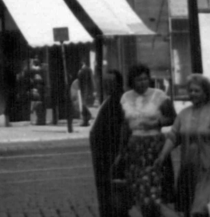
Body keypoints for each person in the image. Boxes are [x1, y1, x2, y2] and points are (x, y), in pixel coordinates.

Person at [159, 74, 210, 217]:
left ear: (205, 93)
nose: (193, 94)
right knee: (188, 209)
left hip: (209, 170)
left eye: (197, 91)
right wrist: (161, 156)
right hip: (188, 170)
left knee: (200, 210)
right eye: (190, 91)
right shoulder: (183, 114)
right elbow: (173, 137)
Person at [119, 63, 174, 217]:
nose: (142, 83)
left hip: (154, 146)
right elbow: (125, 125)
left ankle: (156, 213)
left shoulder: (159, 96)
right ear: (132, 81)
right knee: (139, 187)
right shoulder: (125, 97)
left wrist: (157, 123)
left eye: (145, 79)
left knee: (154, 187)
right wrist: (122, 149)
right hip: (135, 147)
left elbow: (172, 118)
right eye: (138, 80)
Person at [90, 70, 127, 217]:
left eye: (110, 83)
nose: (106, 85)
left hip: (110, 157)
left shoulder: (118, 101)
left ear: (117, 84)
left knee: (113, 197)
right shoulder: (110, 99)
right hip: (104, 157)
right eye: (104, 82)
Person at [72, 63, 96, 127]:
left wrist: (92, 90)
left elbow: (90, 80)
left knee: (83, 104)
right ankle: (86, 118)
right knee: (83, 104)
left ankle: (87, 117)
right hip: (83, 89)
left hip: (84, 89)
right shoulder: (85, 70)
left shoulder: (85, 71)